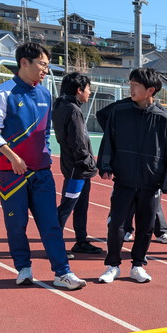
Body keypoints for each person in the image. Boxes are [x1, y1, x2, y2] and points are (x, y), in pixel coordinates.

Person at [0, 43, 86, 290]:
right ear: (24, 63)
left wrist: (45, 156)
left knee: (51, 224)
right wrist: (13, 158)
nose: (45, 70)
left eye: (47, 66)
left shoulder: (45, 94)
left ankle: (63, 272)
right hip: (12, 174)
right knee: (16, 225)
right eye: (42, 64)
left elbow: (45, 133)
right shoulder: (2, 93)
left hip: (41, 172)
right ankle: (23, 268)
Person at [95, 67, 167, 284]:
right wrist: (105, 165)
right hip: (124, 179)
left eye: (135, 85)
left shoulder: (163, 118)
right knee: (116, 224)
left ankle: (138, 265)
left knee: (146, 227)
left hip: (151, 182)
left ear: (150, 90)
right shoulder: (119, 112)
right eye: (130, 84)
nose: (130, 88)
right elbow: (109, 139)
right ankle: (113, 266)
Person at [52, 72, 102, 256]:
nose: (89, 92)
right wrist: (90, 164)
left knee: (80, 206)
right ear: (79, 90)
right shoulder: (73, 110)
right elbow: (78, 143)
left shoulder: (61, 105)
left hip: (74, 167)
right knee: (67, 206)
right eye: (88, 89)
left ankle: (81, 241)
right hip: (77, 169)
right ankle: (53, 243)